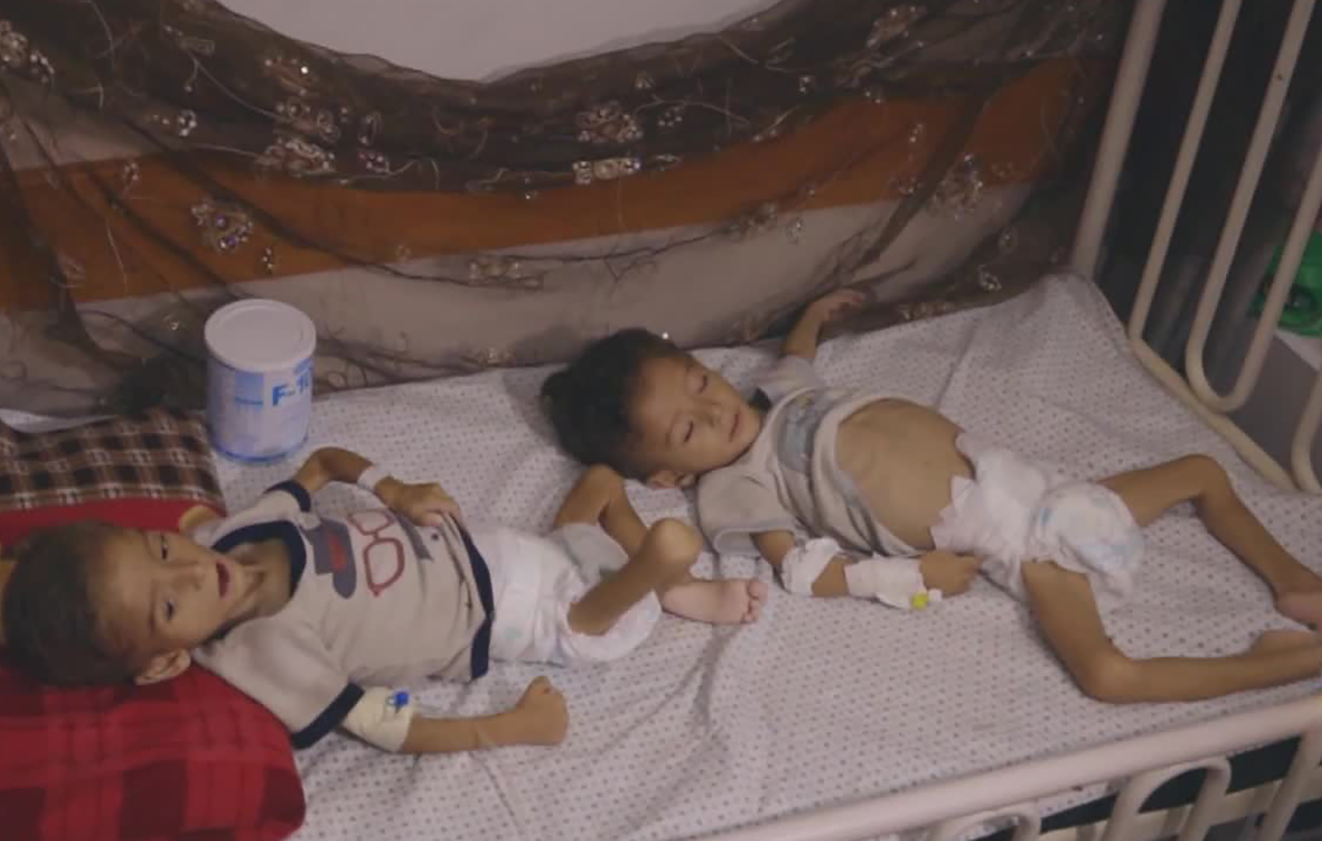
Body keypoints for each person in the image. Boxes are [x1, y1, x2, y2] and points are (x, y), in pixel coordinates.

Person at [541, 289, 1322, 703]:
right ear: (670, 478)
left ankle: (1293, 579)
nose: (716, 408)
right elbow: (802, 569)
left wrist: (811, 317)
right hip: (1015, 541)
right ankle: (1271, 667)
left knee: (1204, 468)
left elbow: (797, 356)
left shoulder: (775, 392)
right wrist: (908, 576)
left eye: (701, 381)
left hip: (1041, 489)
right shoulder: (734, 486)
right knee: (1108, 675)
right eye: (688, 429)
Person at [1, 445, 764, 754]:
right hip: (520, 617)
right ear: (167, 661)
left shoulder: (235, 532)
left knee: (598, 481)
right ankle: (671, 581)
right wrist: (514, 726)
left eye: (164, 551)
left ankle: (674, 587)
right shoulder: (260, 653)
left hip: (498, 543)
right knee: (648, 564)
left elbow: (324, 462)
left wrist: (391, 488)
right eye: (168, 608)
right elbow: (389, 727)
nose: (194, 574)